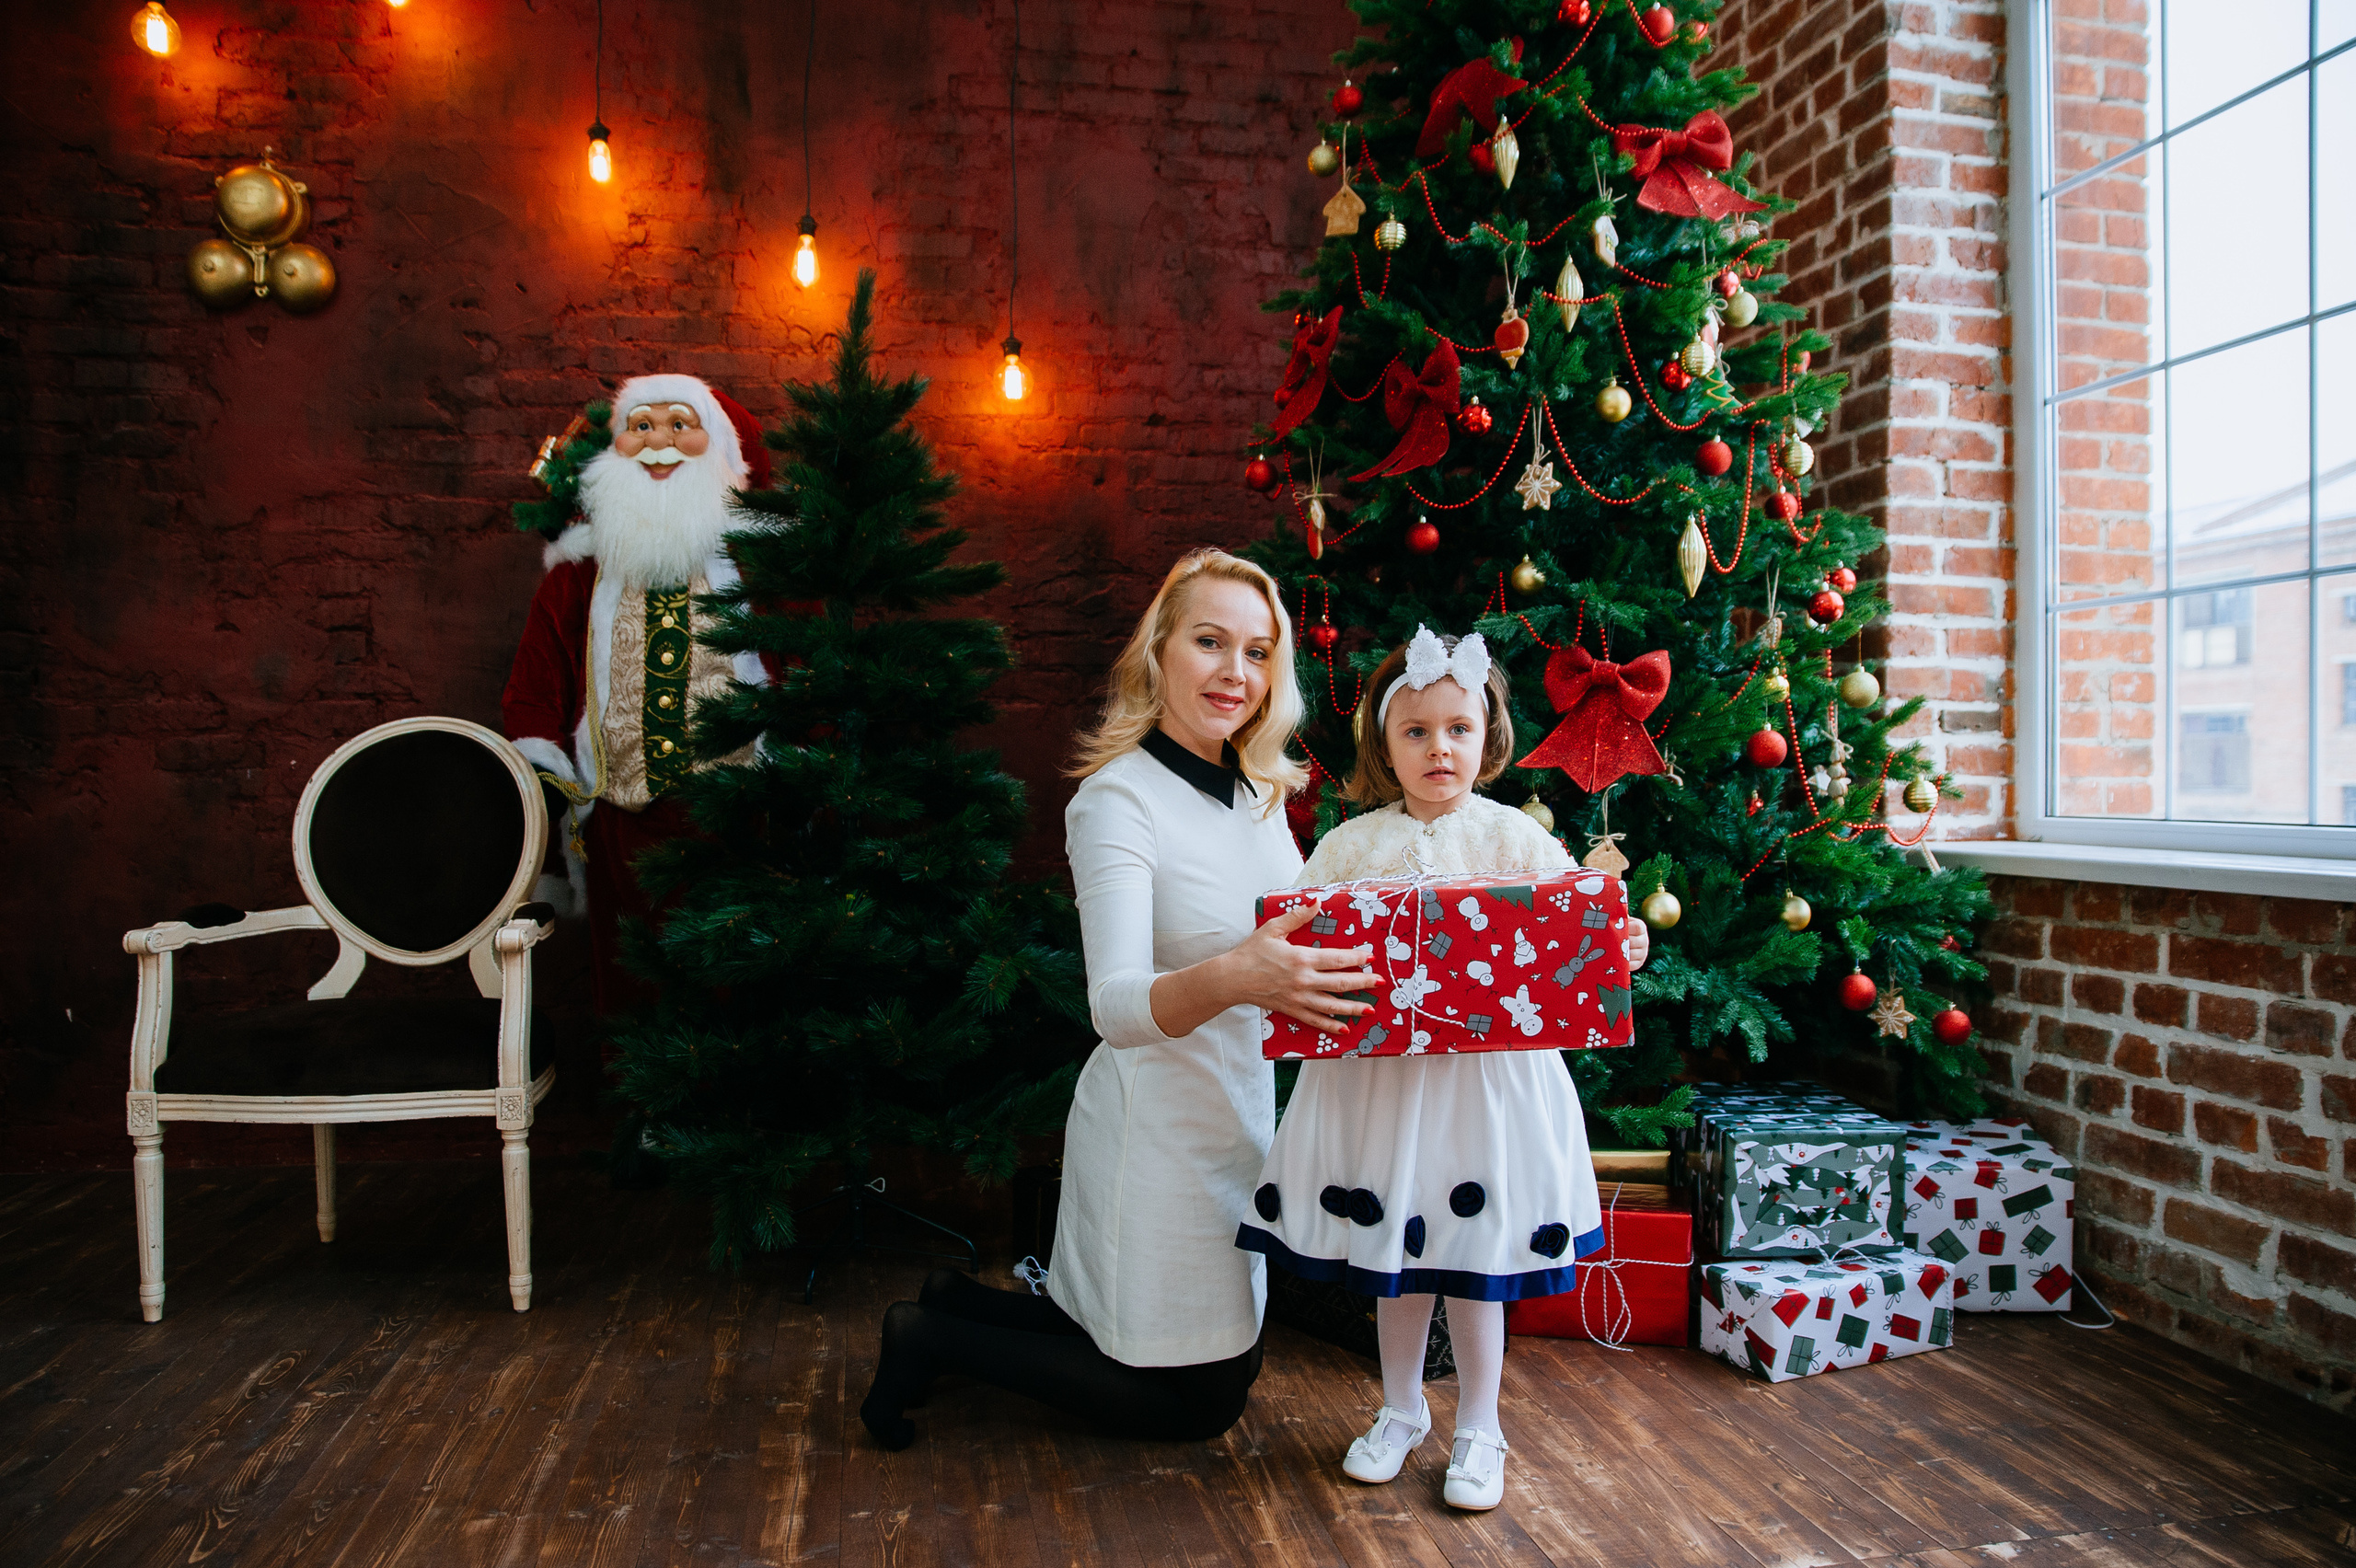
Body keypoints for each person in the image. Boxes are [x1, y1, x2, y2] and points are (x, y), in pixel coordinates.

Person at [859, 548, 1380, 1448]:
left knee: (1215, 1354)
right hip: (1156, 1129)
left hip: (1236, 1115)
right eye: (1210, 642)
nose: (1235, 673)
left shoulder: (1255, 792)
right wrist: (1244, 977)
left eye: (1258, 652)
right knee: (1199, 1404)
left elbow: (1297, 935)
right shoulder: (1116, 802)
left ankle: (952, 1304)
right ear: (1159, 651)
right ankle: (929, 1335)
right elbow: (1117, 1008)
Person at [1234, 626, 1649, 1511]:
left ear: (1487, 736)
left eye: (1458, 729)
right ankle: (1401, 1407)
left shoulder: (1517, 841)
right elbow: (1301, 946)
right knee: (1397, 1252)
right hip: (1382, 1091)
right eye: (1416, 732)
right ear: (1385, 745)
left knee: (1473, 1255)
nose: (1439, 748)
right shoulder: (1351, 848)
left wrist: (1623, 943)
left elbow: (1580, 942)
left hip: (1486, 1093)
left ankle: (1481, 1427)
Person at [499, 375, 776, 1015]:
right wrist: (546, 769)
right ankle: (644, 1108)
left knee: (738, 957)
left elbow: (801, 658)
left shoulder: (758, 565)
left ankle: (734, 1108)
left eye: (681, 426)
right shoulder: (583, 571)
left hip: (737, 807)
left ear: (723, 451)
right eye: (641, 427)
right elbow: (539, 678)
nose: (659, 443)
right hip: (622, 810)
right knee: (634, 968)